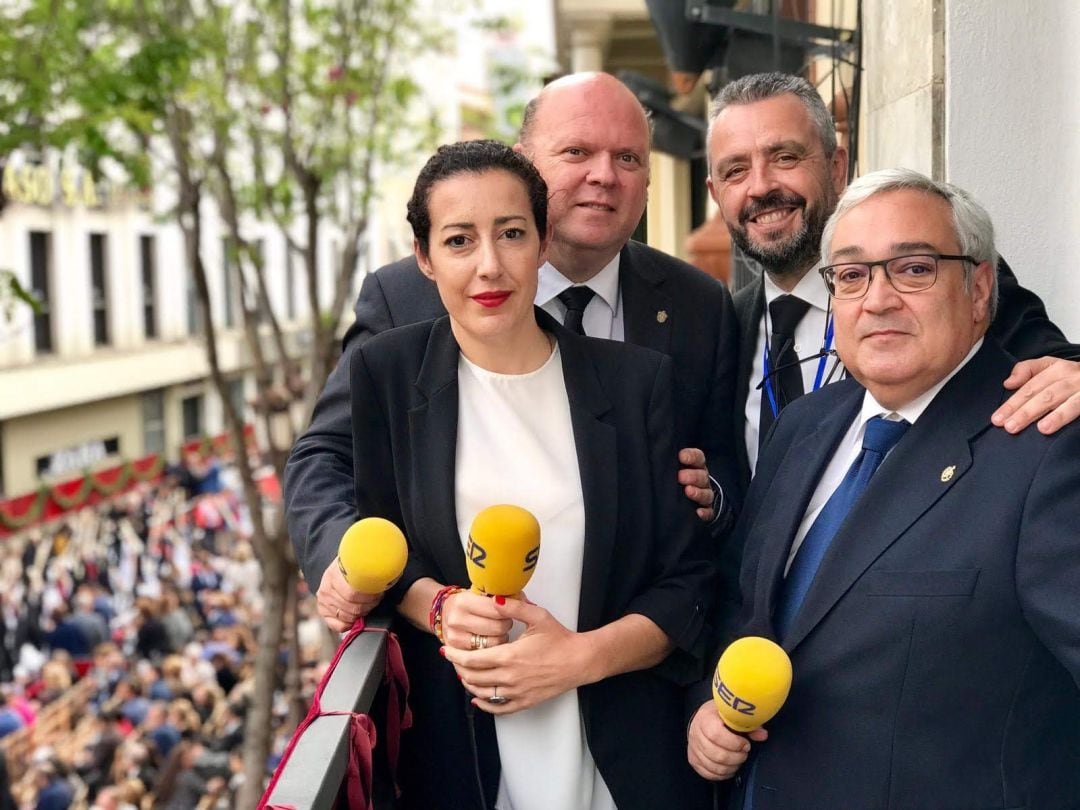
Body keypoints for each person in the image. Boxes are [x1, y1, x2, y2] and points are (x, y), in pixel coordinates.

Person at [285, 72, 740, 631]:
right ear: (526, 163)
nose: (604, 175)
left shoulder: (700, 305)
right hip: (453, 674)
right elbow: (325, 456)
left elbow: (725, 461)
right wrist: (347, 562)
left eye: (628, 158)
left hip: (628, 675)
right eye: (577, 151)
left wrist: (709, 494)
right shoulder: (405, 298)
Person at [686, 170, 1080, 807]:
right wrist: (711, 705)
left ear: (979, 289)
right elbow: (746, 604)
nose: (878, 299)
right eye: (851, 274)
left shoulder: (1049, 447)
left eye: (915, 269)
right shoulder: (806, 425)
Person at [348, 140, 714, 809]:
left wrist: (579, 658)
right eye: (459, 240)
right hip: (460, 762)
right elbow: (380, 544)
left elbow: (687, 584)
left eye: (512, 233)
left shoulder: (635, 382)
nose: (490, 265)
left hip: (618, 761)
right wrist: (438, 606)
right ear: (424, 257)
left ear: (544, 242)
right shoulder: (386, 376)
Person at [705, 72, 1080, 480]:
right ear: (715, 193)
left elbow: (1060, 373)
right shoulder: (722, 323)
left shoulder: (945, 277)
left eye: (785, 157)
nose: (760, 187)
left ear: (836, 168)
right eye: (736, 171)